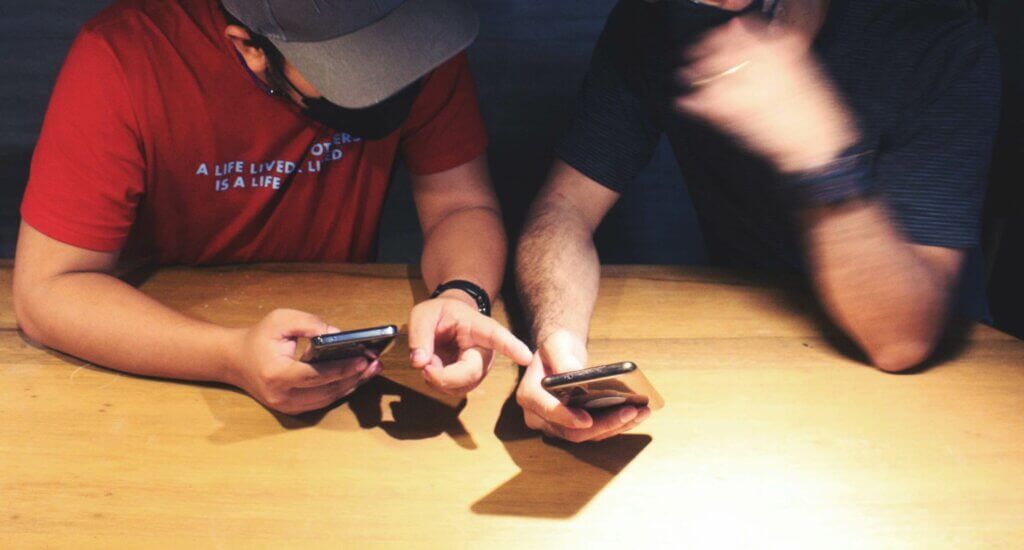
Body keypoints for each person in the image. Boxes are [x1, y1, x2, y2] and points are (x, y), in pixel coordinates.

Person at [12, 0, 532, 416]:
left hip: (348, 369)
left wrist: (463, 295)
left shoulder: (418, 37)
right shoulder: (123, 56)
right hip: (155, 372)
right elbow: (48, 291)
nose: (389, 74)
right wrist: (230, 357)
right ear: (250, 48)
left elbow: (460, 207)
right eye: (353, 66)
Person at [515, 0, 1000, 442]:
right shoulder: (653, 20)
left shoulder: (939, 37)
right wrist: (559, 346)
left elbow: (900, 342)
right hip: (757, 360)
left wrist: (821, 157)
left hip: (936, 390)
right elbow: (564, 208)